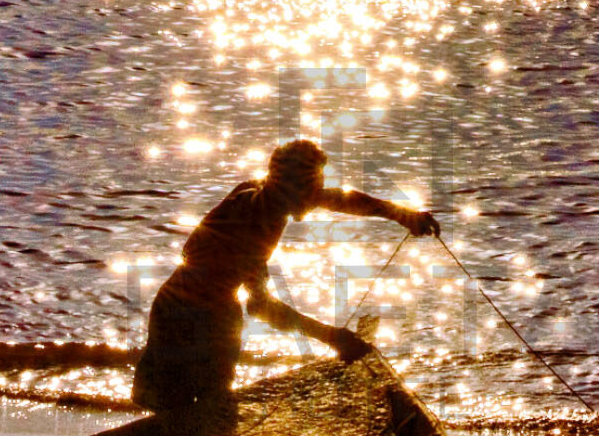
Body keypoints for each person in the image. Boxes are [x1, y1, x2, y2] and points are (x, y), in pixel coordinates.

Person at [133, 139, 441, 416]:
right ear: (293, 192)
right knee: (194, 416)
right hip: (189, 318)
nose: (318, 195)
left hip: (194, 307)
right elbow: (261, 307)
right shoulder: (254, 226)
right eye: (311, 189)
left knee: (202, 413)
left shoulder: (261, 191)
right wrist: (331, 337)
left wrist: (403, 215)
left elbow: (343, 199)